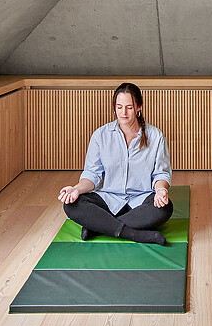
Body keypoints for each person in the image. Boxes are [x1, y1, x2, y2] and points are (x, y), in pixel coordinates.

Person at [58, 82, 173, 245]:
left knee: (164, 209)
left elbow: (161, 173)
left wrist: (161, 190)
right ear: (114, 107)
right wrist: (75, 189)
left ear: (139, 107)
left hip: (141, 200)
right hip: (109, 199)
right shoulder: (100, 135)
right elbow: (92, 175)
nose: (123, 113)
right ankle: (135, 234)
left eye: (129, 107)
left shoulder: (155, 136)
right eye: (119, 107)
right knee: (71, 205)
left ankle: (98, 225)